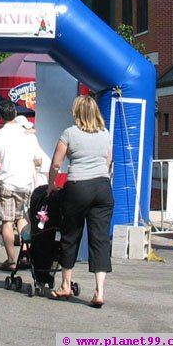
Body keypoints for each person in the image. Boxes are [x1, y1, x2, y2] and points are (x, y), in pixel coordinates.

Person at [47, 95, 113, 308]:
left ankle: (66, 285)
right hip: (103, 188)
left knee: (71, 235)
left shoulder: (69, 133)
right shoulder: (105, 134)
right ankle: (99, 291)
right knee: (100, 239)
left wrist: (51, 185)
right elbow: (108, 161)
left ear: (77, 113)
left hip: (78, 187)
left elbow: (56, 164)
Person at [0, 100, 42, 271]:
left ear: (1, 116)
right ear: (15, 114)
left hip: (6, 182)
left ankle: (10, 259)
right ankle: (24, 253)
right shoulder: (29, 135)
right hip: (25, 184)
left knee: (7, 221)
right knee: (22, 219)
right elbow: (38, 160)